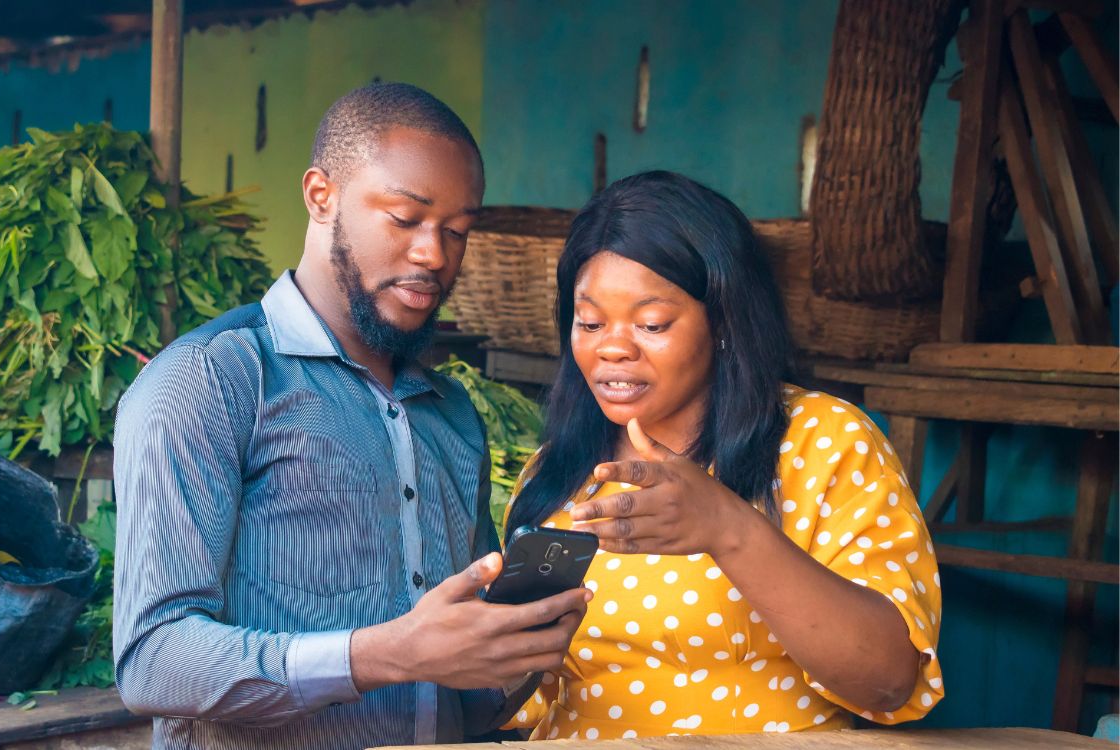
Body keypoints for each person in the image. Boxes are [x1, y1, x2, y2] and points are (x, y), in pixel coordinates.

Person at [110, 82, 592, 749]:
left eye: (457, 231)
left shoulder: (451, 417)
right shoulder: (210, 382)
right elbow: (152, 662)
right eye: (404, 217)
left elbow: (469, 696)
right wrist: (385, 654)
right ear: (320, 196)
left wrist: (515, 650)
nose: (434, 254)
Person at [503, 170, 945, 739]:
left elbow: (888, 679)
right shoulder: (555, 474)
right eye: (589, 322)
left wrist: (729, 527)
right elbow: (524, 700)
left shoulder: (822, 442)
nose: (612, 347)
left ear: (725, 323)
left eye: (651, 322)